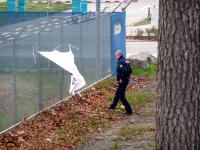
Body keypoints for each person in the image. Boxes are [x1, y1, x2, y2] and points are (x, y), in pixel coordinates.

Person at [109, 50, 133, 115]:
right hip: (126, 79)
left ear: (118, 55)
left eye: (116, 55)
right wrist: (127, 77)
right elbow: (130, 70)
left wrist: (122, 78)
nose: (116, 56)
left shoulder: (121, 62)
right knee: (117, 93)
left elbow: (124, 70)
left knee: (121, 96)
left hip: (123, 81)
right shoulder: (126, 60)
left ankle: (129, 110)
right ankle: (113, 106)